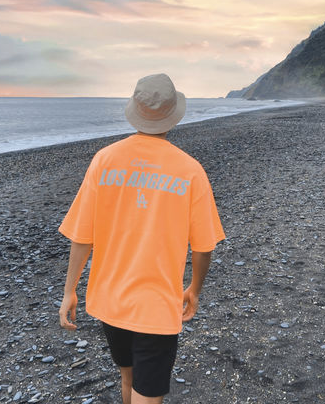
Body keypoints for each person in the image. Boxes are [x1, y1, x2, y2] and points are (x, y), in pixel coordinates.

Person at [58, 73, 225, 404]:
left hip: (110, 298)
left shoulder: (103, 160)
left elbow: (82, 235)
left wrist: (70, 291)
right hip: (156, 304)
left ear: (134, 110)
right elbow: (204, 246)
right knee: (146, 394)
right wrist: (194, 289)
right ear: (172, 115)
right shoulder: (189, 170)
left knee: (128, 378)